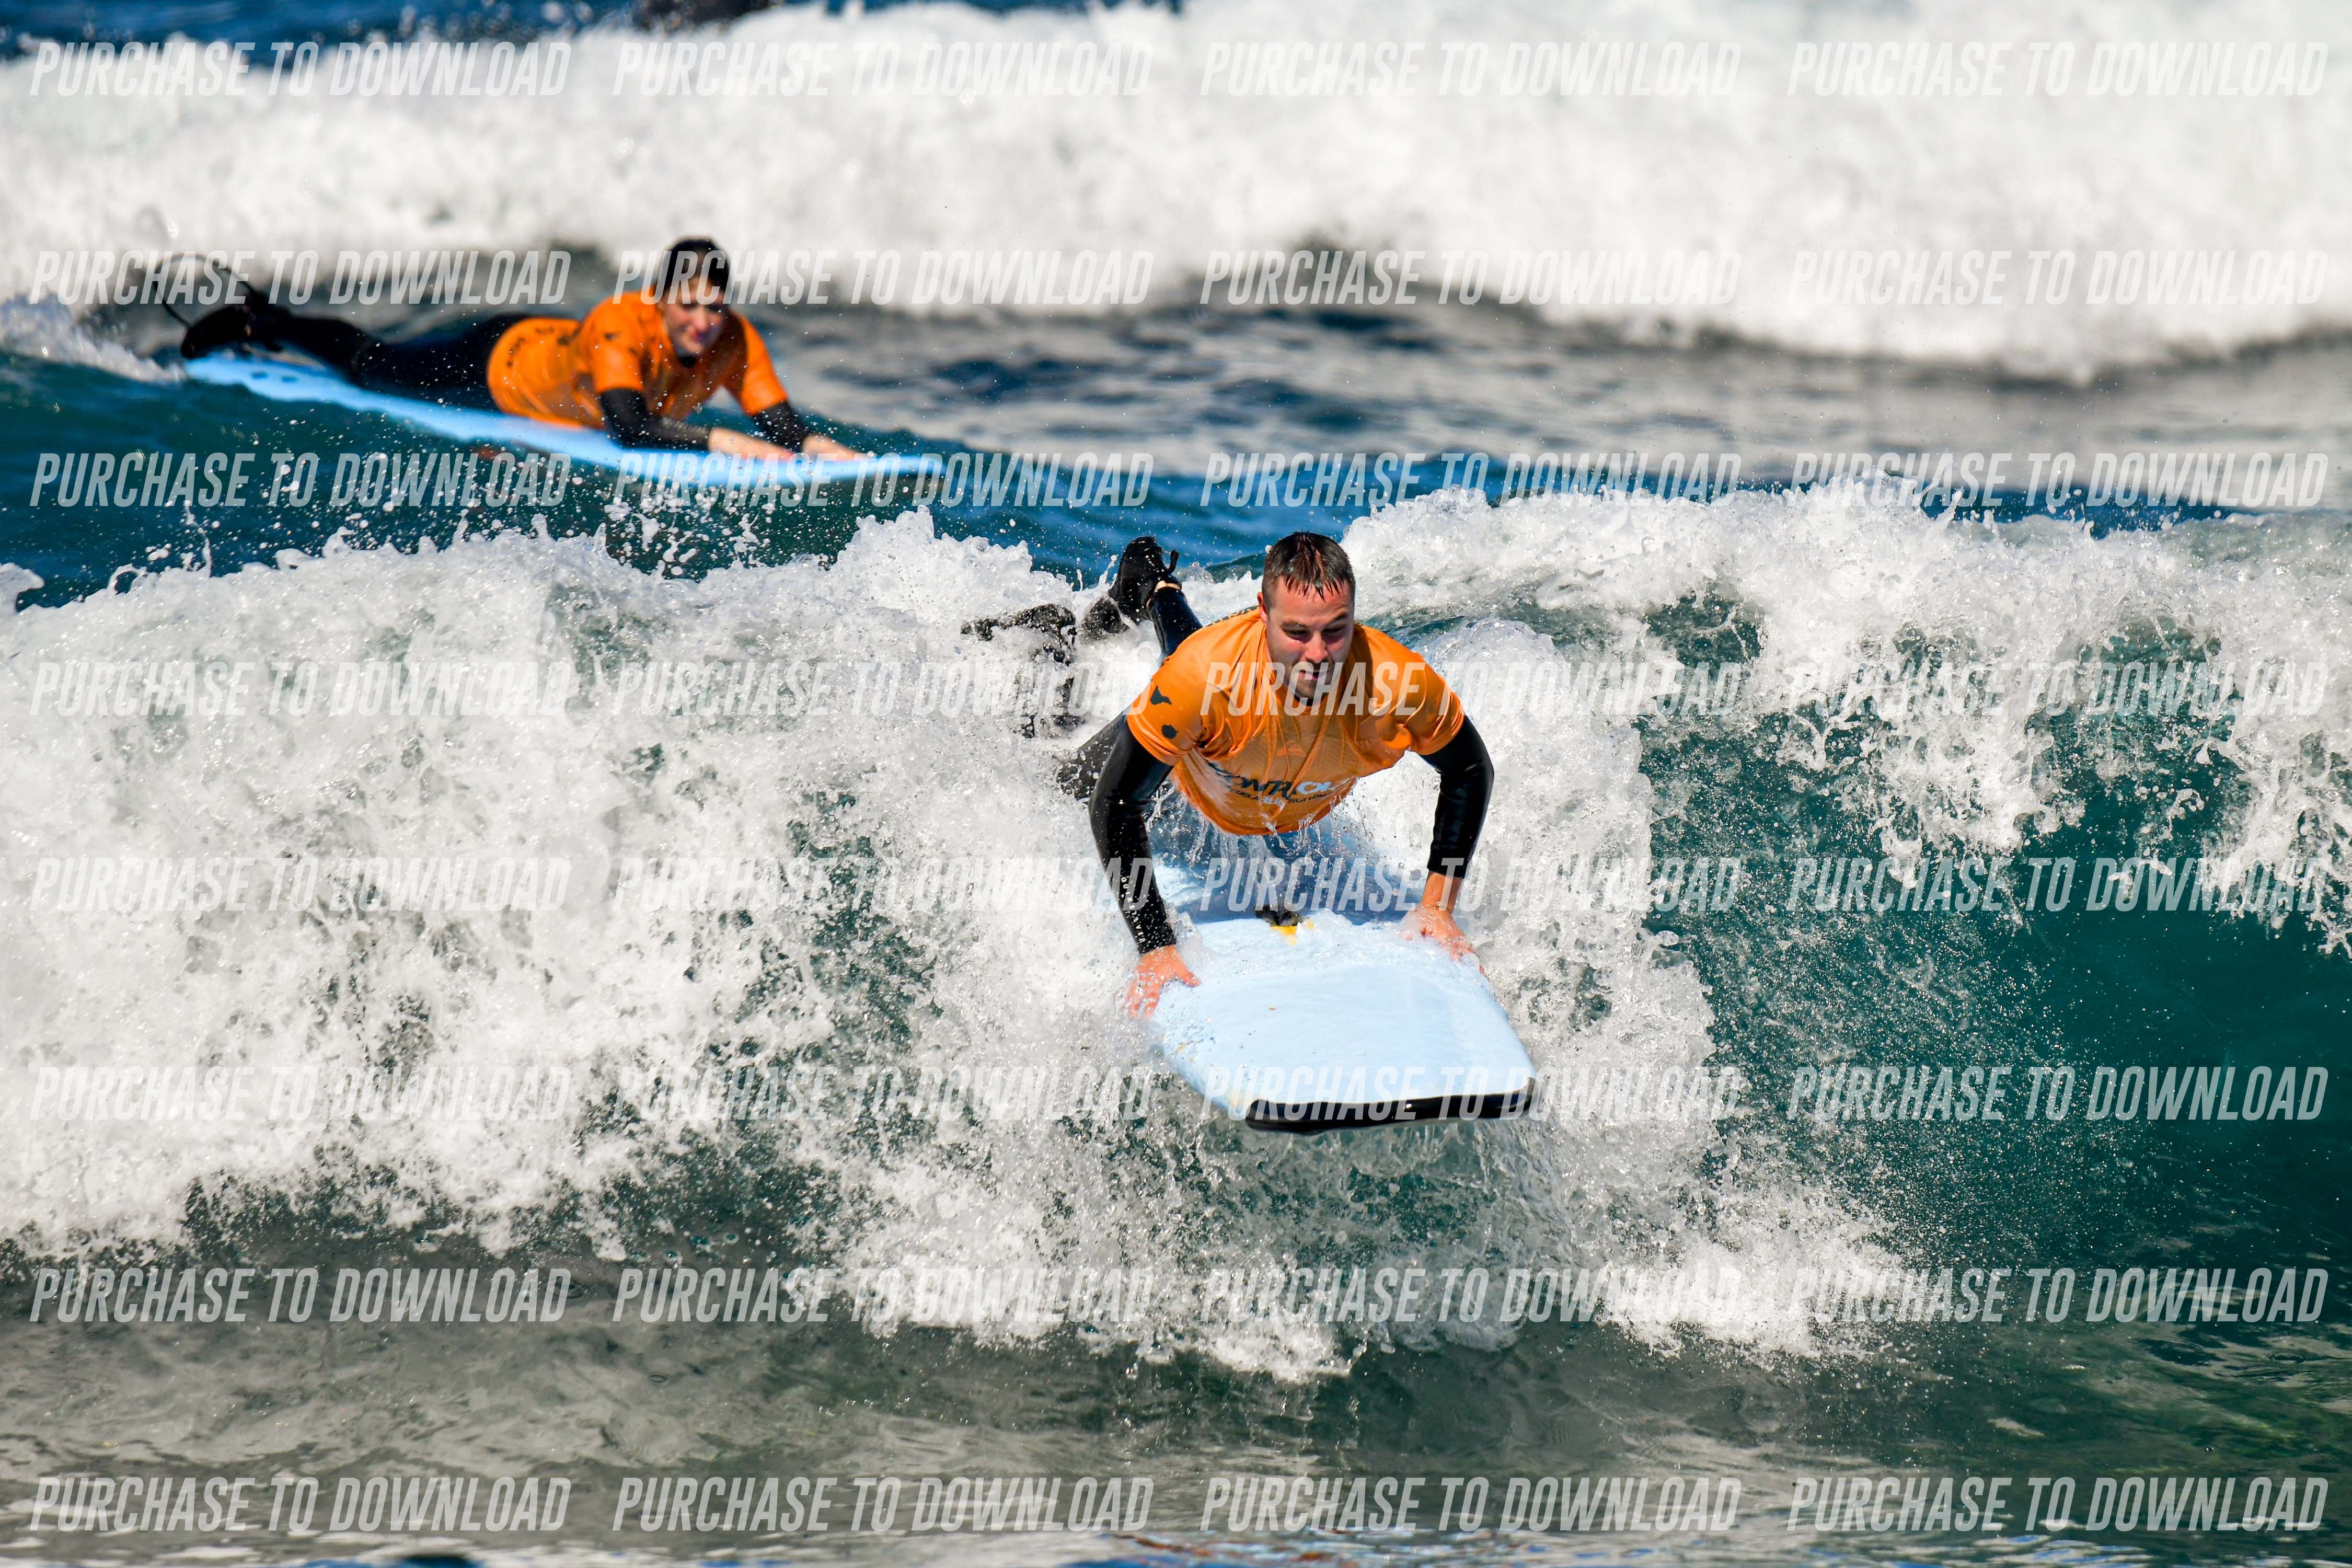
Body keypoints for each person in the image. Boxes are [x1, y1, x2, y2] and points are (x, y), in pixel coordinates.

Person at [1079, 532, 1493, 1016]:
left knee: (1190, 653)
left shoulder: (1398, 684)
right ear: (1263, 612)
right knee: (1070, 782)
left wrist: (1437, 906)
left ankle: (1160, 587)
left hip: (1255, 765)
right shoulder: (1198, 680)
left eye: (1335, 631)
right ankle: (1153, 584)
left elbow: (1470, 769)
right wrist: (1155, 946)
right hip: (1193, 769)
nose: (1317, 655)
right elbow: (1116, 803)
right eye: (1297, 632)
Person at [178, 238, 859, 460]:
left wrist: (818, 446)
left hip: (549, 339)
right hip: (499, 365)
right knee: (373, 367)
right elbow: (628, 428)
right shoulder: (622, 323)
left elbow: (779, 424)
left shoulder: (735, 338)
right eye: (689, 306)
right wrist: (726, 443)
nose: (704, 324)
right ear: (659, 298)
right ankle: (264, 322)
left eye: (714, 308)